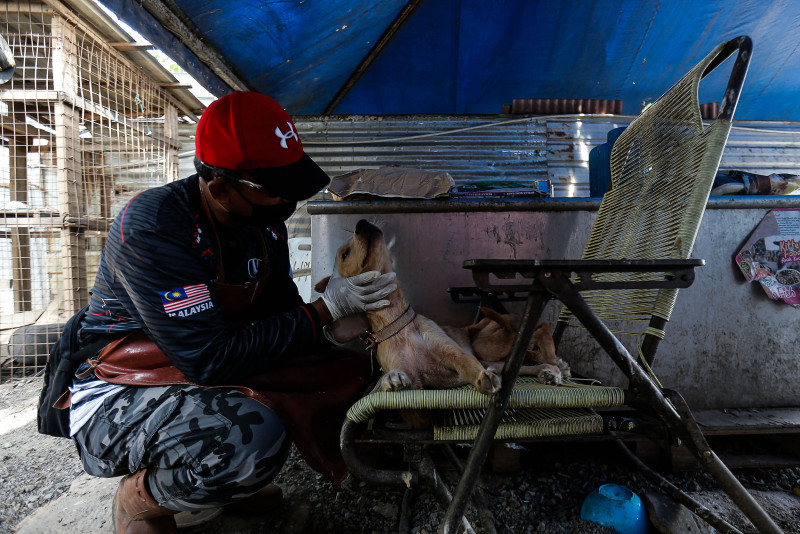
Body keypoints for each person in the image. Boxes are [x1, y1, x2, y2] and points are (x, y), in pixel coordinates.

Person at [63, 91, 396, 533]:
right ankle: (143, 496)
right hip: (121, 386)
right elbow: (208, 358)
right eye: (275, 192)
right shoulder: (156, 227)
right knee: (250, 441)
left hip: (208, 367)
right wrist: (323, 312)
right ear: (219, 187)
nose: (286, 204)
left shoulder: (262, 225)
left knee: (352, 372)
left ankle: (227, 480)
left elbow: (282, 314)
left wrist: (334, 328)